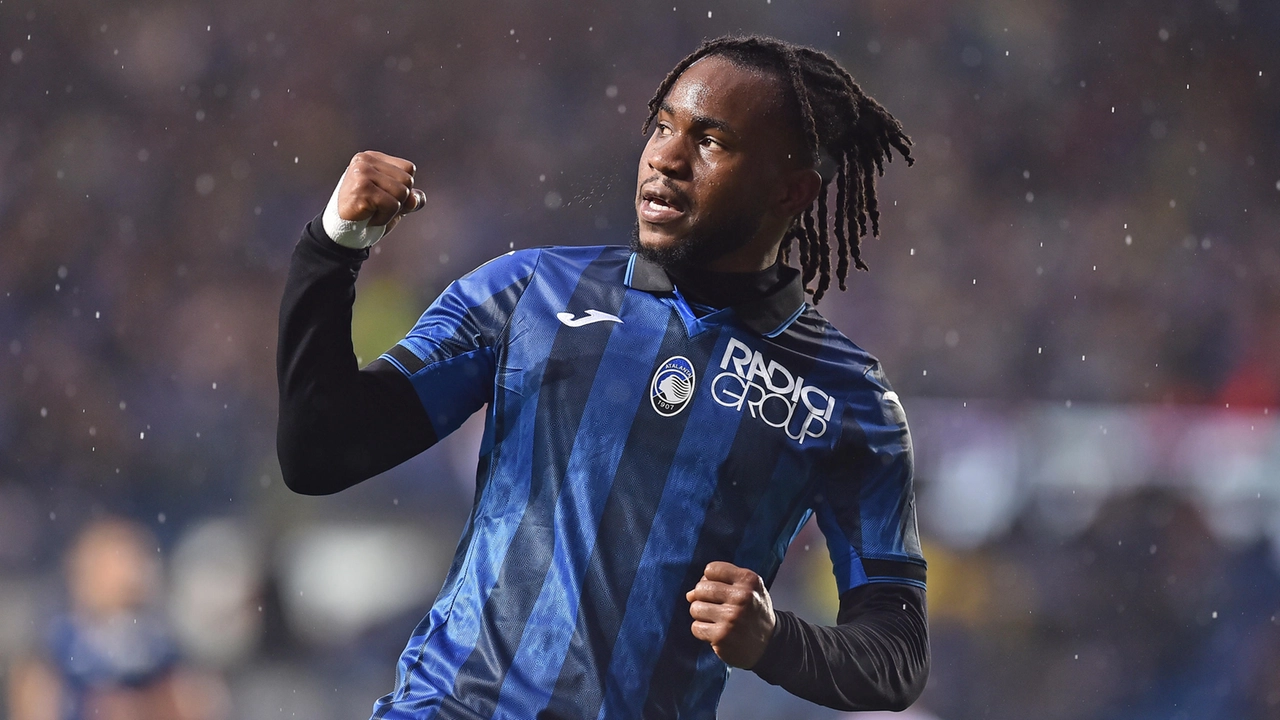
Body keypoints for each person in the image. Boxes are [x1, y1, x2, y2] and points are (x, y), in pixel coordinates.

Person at [277, 35, 928, 719]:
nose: (666, 158)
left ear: (791, 189)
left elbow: (898, 652)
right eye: (663, 126)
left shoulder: (846, 398)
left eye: (711, 141)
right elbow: (320, 451)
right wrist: (332, 246)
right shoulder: (529, 291)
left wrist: (776, 642)